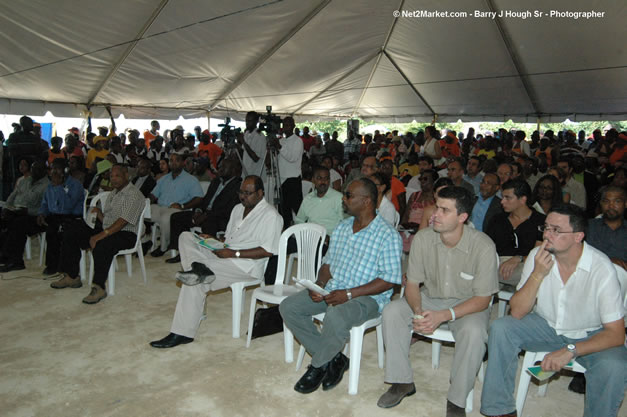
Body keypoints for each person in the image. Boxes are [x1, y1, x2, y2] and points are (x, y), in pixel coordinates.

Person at [480, 204, 626, 417]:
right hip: (546, 324)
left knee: (615, 365)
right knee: (502, 328)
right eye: (546, 227)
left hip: (590, 333)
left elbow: (615, 333)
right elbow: (518, 312)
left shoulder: (601, 268)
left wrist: (571, 349)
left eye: (556, 230)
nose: (547, 235)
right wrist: (538, 273)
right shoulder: (537, 256)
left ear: (578, 236)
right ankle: (499, 409)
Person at [378, 186, 498, 417]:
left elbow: (483, 299)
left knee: (474, 333)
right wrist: (418, 311)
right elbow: (412, 285)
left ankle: (457, 400)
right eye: (436, 208)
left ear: (462, 217)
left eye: (444, 210)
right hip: (430, 298)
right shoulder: (423, 238)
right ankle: (402, 382)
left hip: (468, 305)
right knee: (393, 311)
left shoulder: (483, 246)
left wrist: (444, 316)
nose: (435, 215)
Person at [280, 178, 402, 394]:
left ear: (366, 201)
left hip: (367, 298)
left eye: (349, 195)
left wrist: (348, 294)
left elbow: (390, 280)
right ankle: (334, 358)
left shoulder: (387, 235)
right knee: (289, 307)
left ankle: (317, 366)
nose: (343, 199)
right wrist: (319, 285)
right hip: (334, 289)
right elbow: (327, 264)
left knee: (335, 316)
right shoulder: (343, 227)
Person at [149, 175, 283, 348]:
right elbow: (229, 239)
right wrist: (213, 241)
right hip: (225, 253)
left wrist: (232, 253)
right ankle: (198, 267)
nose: (243, 196)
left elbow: (268, 251)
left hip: (244, 265)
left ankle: (182, 333)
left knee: (195, 281)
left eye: (248, 193)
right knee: (187, 236)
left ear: (260, 193)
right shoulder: (237, 209)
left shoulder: (272, 216)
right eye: (241, 192)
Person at [49, 164, 145, 303]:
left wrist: (100, 235)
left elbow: (122, 222)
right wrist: (99, 214)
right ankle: (71, 276)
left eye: (117, 176)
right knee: (72, 229)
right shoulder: (114, 193)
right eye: (111, 176)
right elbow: (109, 219)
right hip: (110, 229)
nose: (114, 179)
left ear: (126, 176)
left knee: (102, 243)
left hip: (127, 233)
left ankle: (98, 287)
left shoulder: (134, 194)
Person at [2, 159, 84, 274]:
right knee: (19, 223)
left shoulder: (75, 185)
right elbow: (45, 203)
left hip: (70, 217)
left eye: (57, 169)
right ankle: (15, 261)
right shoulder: (51, 184)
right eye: (52, 169)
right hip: (51, 216)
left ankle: (53, 265)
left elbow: (68, 207)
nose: (54, 172)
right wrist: (41, 213)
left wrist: (59, 187)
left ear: (66, 170)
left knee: (52, 229)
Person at [165, 158, 242, 263]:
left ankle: (207, 257)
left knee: (209, 224)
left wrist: (206, 215)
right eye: (220, 166)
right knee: (176, 217)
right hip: (205, 213)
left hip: (220, 218)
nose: (220, 169)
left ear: (233, 170)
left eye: (224, 167)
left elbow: (229, 210)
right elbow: (205, 200)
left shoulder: (238, 186)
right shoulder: (216, 181)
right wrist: (198, 210)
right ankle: (182, 252)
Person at [485, 179, 545, 286]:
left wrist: (519, 258)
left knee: (531, 272)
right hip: (497, 263)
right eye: (502, 197)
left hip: (526, 264)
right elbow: (486, 247)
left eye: (508, 198)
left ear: (522, 200)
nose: (502, 201)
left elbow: (540, 253)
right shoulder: (497, 220)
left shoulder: (540, 222)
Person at [149, 153, 204, 257]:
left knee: (166, 219)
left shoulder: (191, 180)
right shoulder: (163, 179)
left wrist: (183, 206)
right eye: (171, 160)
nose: (173, 163)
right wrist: (146, 202)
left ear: (183, 163)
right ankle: (142, 242)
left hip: (177, 210)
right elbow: (153, 195)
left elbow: (199, 198)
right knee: (143, 212)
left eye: (177, 160)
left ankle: (163, 247)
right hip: (160, 207)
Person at [0, 162, 49, 271]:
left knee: (18, 223)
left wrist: (28, 211)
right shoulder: (25, 181)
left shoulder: (47, 185)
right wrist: (6, 208)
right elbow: (12, 195)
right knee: (4, 219)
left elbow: (46, 207)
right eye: (32, 169)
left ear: (44, 171)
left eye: (37, 169)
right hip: (16, 211)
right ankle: (4, 254)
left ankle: (16, 261)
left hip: (35, 217)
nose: (33, 172)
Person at [270, 116, 303, 227]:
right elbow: (276, 160)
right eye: (284, 125)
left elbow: (292, 158)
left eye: (288, 125)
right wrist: (272, 150)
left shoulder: (298, 141)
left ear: (293, 126)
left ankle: (303, 231)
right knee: (284, 212)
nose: (286, 127)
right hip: (281, 180)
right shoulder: (281, 140)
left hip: (293, 180)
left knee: (298, 211)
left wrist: (279, 147)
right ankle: (286, 233)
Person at [294, 166, 344, 237]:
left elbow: (343, 223)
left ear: (329, 180)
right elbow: (299, 220)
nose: (323, 182)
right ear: (313, 180)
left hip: (330, 239)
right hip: (310, 238)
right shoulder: (308, 198)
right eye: (319, 178)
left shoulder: (338, 198)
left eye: (326, 179)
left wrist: (332, 237)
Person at [586, 185, 627, 270]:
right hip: (593, 277)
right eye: (606, 201)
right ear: (601, 203)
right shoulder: (588, 227)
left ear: (625, 204)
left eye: (617, 201)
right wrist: (607, 261)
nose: (611, 206)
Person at [400, 169, 436, 252]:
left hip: (427, 233)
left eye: (425, 179)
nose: (422, 181)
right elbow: (406, 215)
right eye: (421, 179)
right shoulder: (415, 195)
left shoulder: (436, 198)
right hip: (410, 230)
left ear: (433, 181)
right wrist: (402, 229)